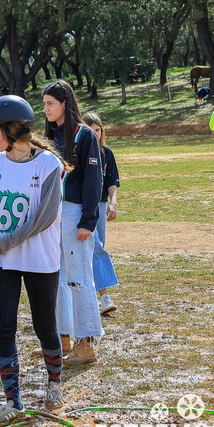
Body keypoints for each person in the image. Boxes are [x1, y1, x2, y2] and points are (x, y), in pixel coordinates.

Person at [0, 95, 70, 426]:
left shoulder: (49, 164)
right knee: (2, 329)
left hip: (40, 261)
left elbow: (43, 219)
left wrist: (1, 243)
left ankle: (54, 383)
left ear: (12, 128)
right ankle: (13, 401)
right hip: (1, 263)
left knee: (45, 327)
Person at [42, 80, 104, 364]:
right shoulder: (49, 135)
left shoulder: (84, 136)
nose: (45, 109)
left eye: (50, 104)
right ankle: (63, 337)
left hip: (75, 214)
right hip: (54, 216)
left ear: (65, 102)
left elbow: (94, 181)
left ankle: (87, 342)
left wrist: (88, 221)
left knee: (80, 278)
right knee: (57, 279)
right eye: (44, 104)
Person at [83, 113, 120, 315]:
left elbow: (112, 181)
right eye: (90, 130)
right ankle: (105, 297)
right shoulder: (78, 152)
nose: (95, 134)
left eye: (98, 130)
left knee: (97, 248)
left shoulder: (106, 152)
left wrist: (113, 203)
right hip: (81, 208)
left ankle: (94, 297)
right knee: (95, 248)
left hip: (100, 206)